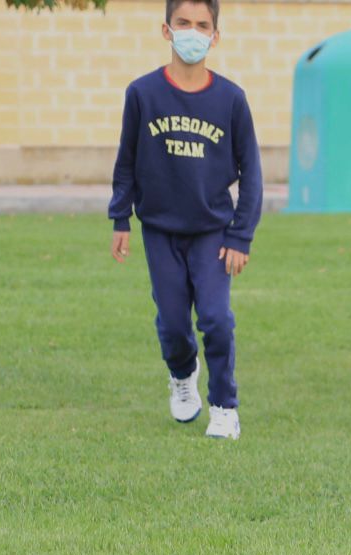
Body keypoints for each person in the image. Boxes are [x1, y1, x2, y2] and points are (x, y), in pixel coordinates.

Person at [108, 0, 261, 439]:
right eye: (183, 23)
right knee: (173, 323)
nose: (192, 32)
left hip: (213, 231)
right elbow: (127, 161)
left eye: (202, 25)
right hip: (159, 228)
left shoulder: (231, 99)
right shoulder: (142, 93)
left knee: (216, 318)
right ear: (166, 29)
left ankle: (224, 406)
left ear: (215, 35)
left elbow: (251, 171)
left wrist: (241, 236)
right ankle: (181, 374)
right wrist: (120, 218)